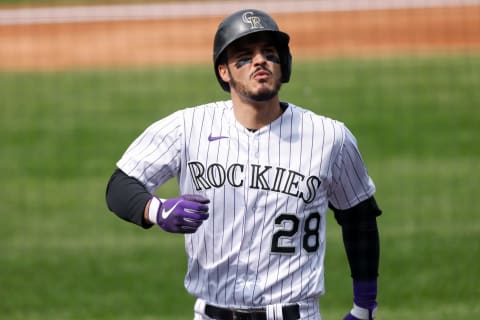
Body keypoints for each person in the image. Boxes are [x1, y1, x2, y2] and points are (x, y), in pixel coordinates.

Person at [106, 8, 381, 320]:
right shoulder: (188, 127)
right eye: (245, 55)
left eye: (269, 53)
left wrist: (364, 307)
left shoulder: (329, 137)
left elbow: (359, 216)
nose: (259, 60)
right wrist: (157, 210)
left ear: (284, 65)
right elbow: (120, 185)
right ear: (224, 71)